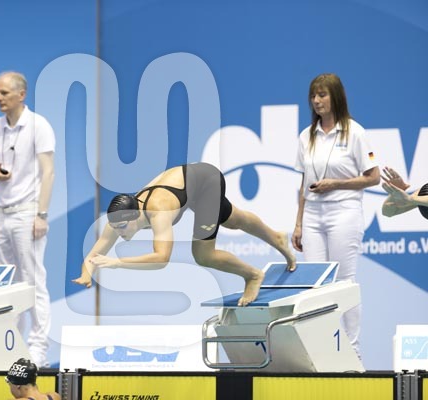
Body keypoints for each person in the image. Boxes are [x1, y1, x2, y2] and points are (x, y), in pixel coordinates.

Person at [72, 162, 296, 307]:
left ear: (135, 216)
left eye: (122, 227)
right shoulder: (119, 219)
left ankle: (252, 275)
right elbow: (94, 254)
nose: (119, 233)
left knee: (203, 255)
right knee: (233, 220)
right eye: (116, 228)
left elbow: (161, 259)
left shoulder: (158, 211)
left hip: (205, 181)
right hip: (189, 187)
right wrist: (86, 273)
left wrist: (117, 263)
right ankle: (276, 237)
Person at [291, 73, 380, 358]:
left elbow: (374, 177)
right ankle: (322, 350)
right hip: (313, 216)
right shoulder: (306, 136)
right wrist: (298, 224)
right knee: (315, 285)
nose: (316, 101)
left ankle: (353, 351)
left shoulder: (355, 133)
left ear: (336, 97)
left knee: (344, 282)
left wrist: (336, 184)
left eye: (322, 95)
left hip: (344, 212)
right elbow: (304, 183)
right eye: (313, 96)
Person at [0, 71, 55, 368]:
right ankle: (12, 347)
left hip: (28, 211)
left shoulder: (39, 125)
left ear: (21, 95)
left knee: (33, 280)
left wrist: (41, 214)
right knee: (7, 284)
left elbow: (48, 172)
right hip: (0, 212)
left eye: (4, 93)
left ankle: (38, 350)